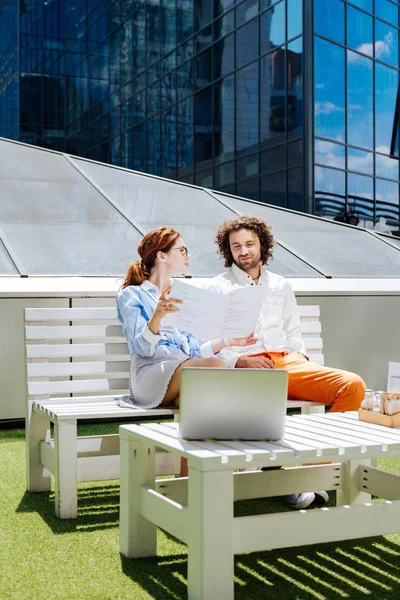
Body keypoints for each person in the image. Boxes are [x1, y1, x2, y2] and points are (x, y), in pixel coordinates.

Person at [207, 215, 366, 509]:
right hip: (247, 369)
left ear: (262, 245)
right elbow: (209, 342)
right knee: (258, 403)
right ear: (227, 250)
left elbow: (294, 333)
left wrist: (298, 360)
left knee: (352, 385)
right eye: (236, 246)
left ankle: (313, 477)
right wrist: (239, 361)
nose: (243, 251)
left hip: (287, 364)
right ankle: (269, 472)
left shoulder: (281, 285)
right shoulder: (217, 287)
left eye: (249, 244)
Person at [116, 226, 257, 409]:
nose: (188, 256)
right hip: (150, 374)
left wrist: (227, 341)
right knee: (216, 365)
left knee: (196, 399)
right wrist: (157, 316)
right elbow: (142, 349)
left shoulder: (183, 295)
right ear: (162, 256)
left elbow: (194, 352)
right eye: (182, 250)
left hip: (181, 371)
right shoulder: (132, 295)